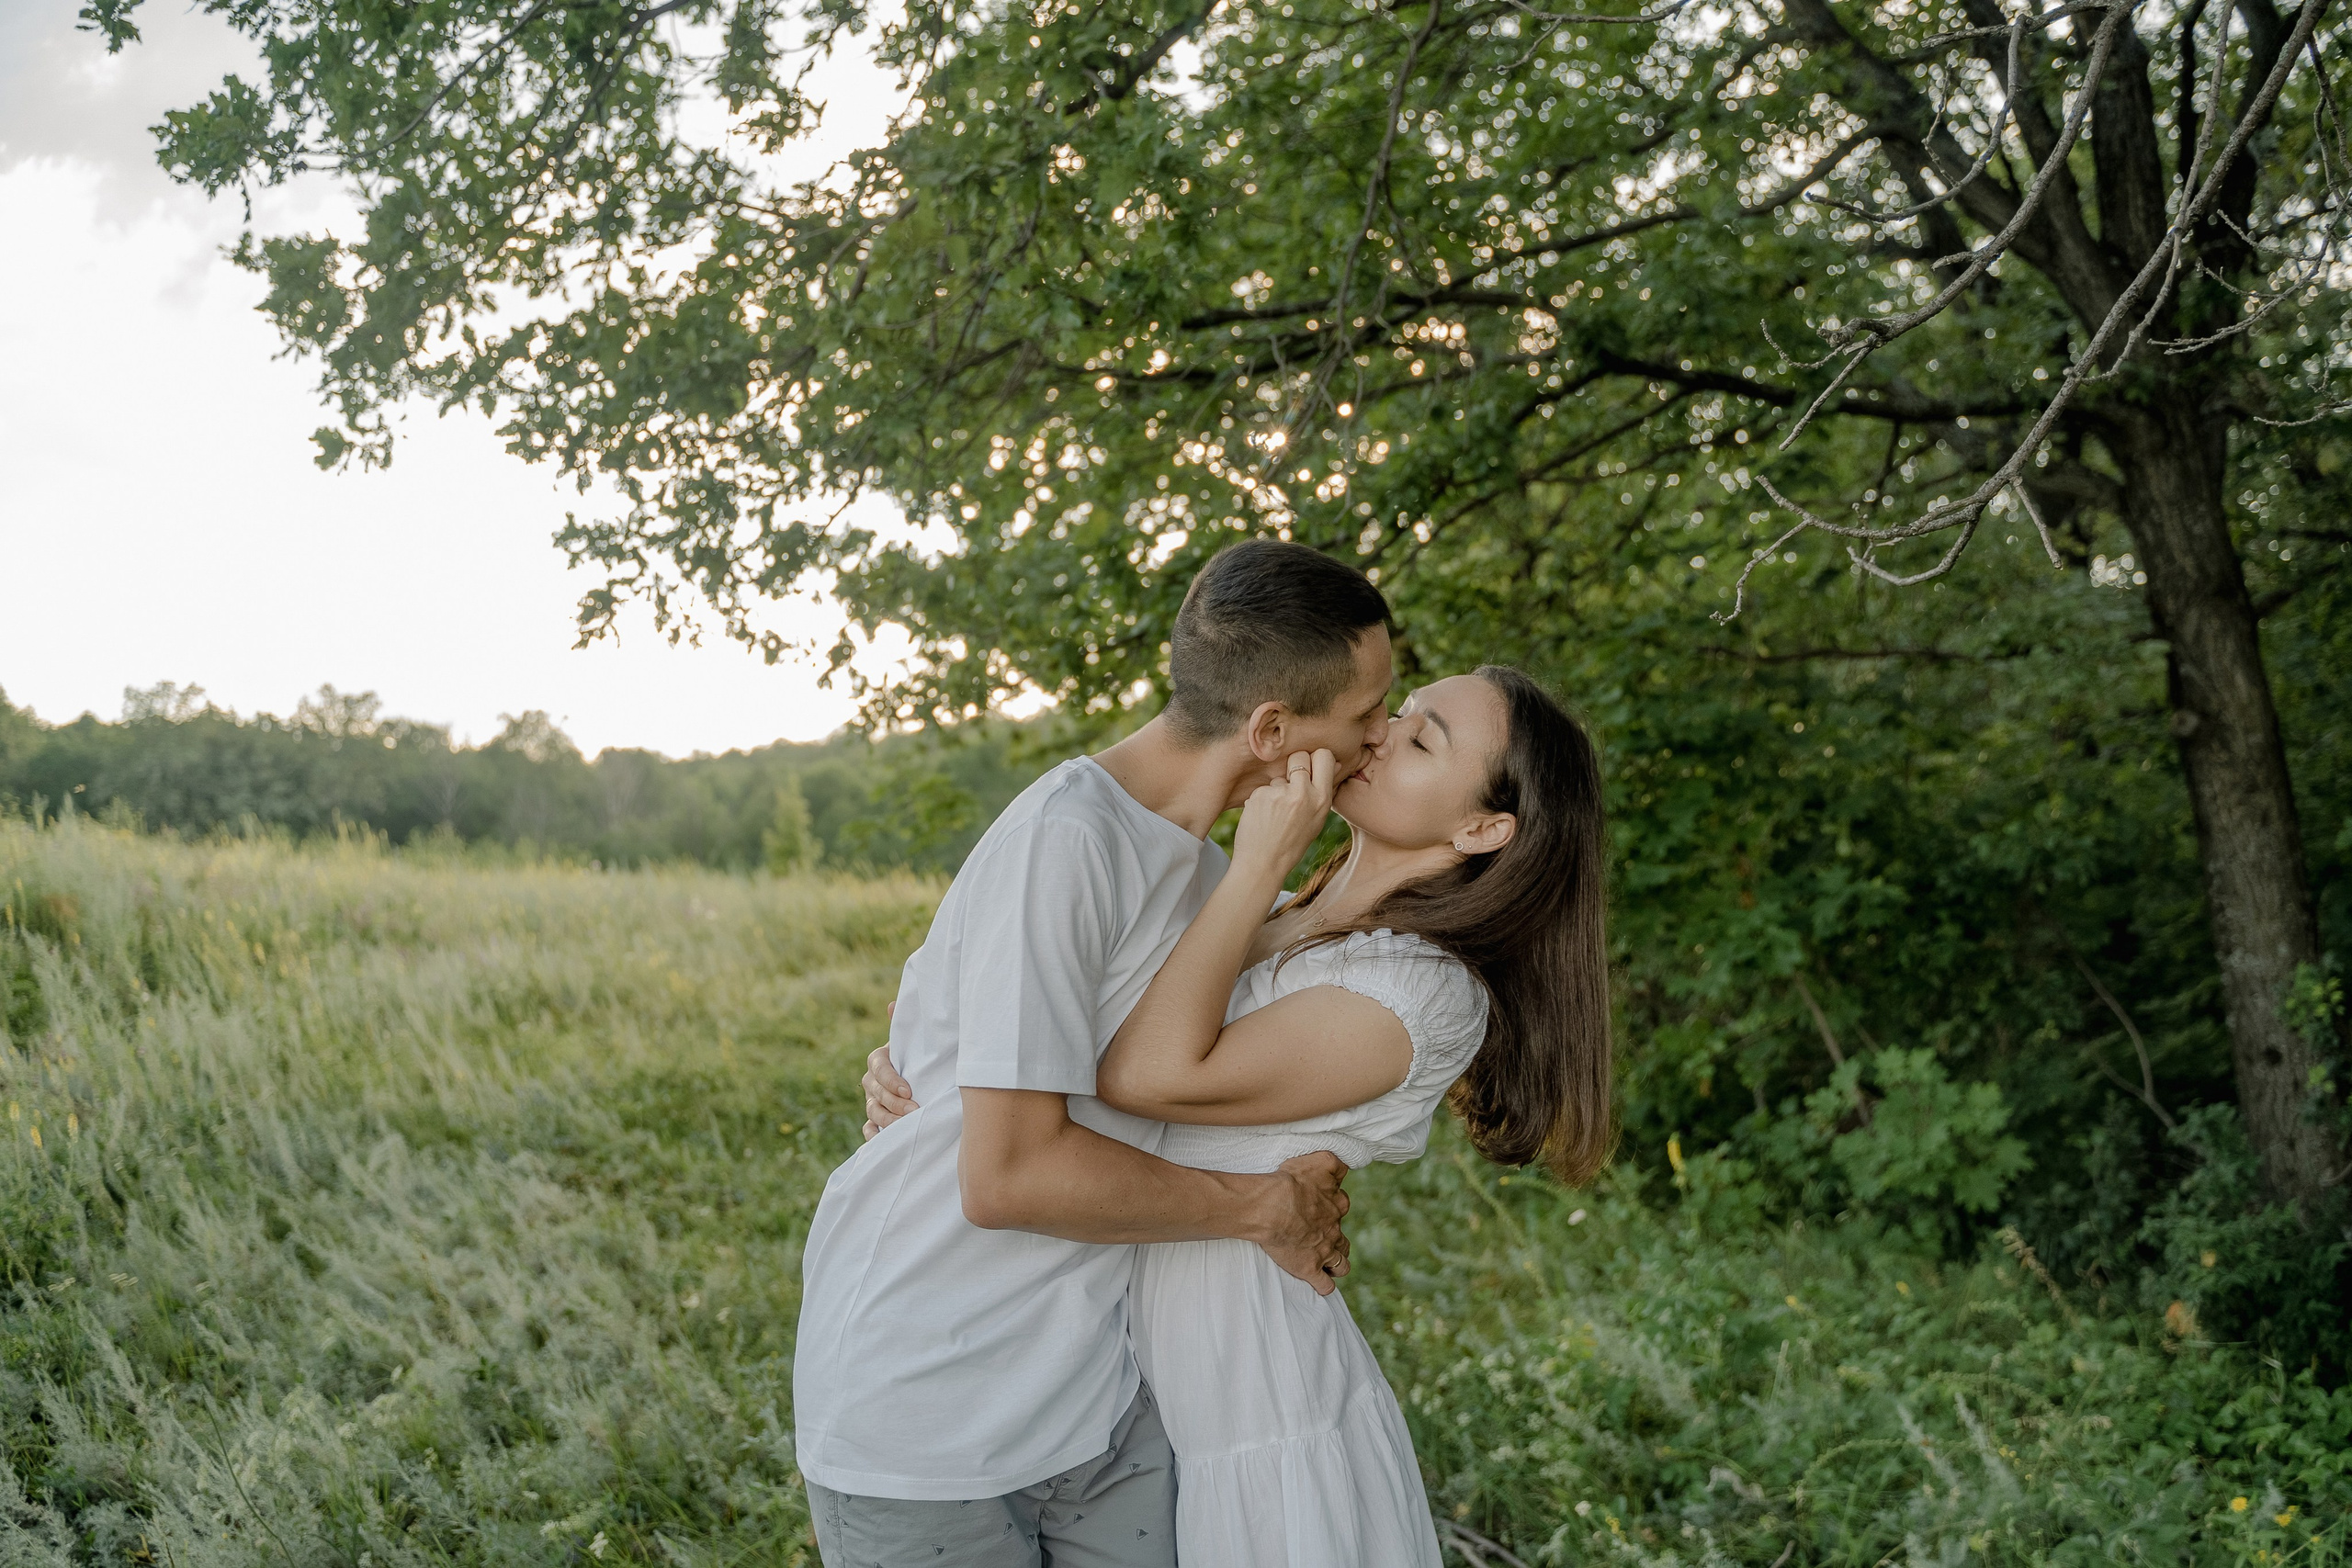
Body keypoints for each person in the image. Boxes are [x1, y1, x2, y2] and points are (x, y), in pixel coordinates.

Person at [865, 666, 1612, 1566]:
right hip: (1109, 1373)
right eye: (1397, 712)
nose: (1379, 733)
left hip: (1249, 1390)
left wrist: (1258, 855)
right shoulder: (1270, 912)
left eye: (1421, 739)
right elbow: (1043, 1031)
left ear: (1483, 827)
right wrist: (920, 1077)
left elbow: (1144, 1073)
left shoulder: (1420, 989)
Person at [793, 539, 1396, 1568]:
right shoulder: (1068, 841)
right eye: (1366, 715)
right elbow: (1008, 1174)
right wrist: (1262, 1211)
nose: (1382, 738)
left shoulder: (1213, 872)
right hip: (931, 1408)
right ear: (1271, 730)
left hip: (1097, 1399)